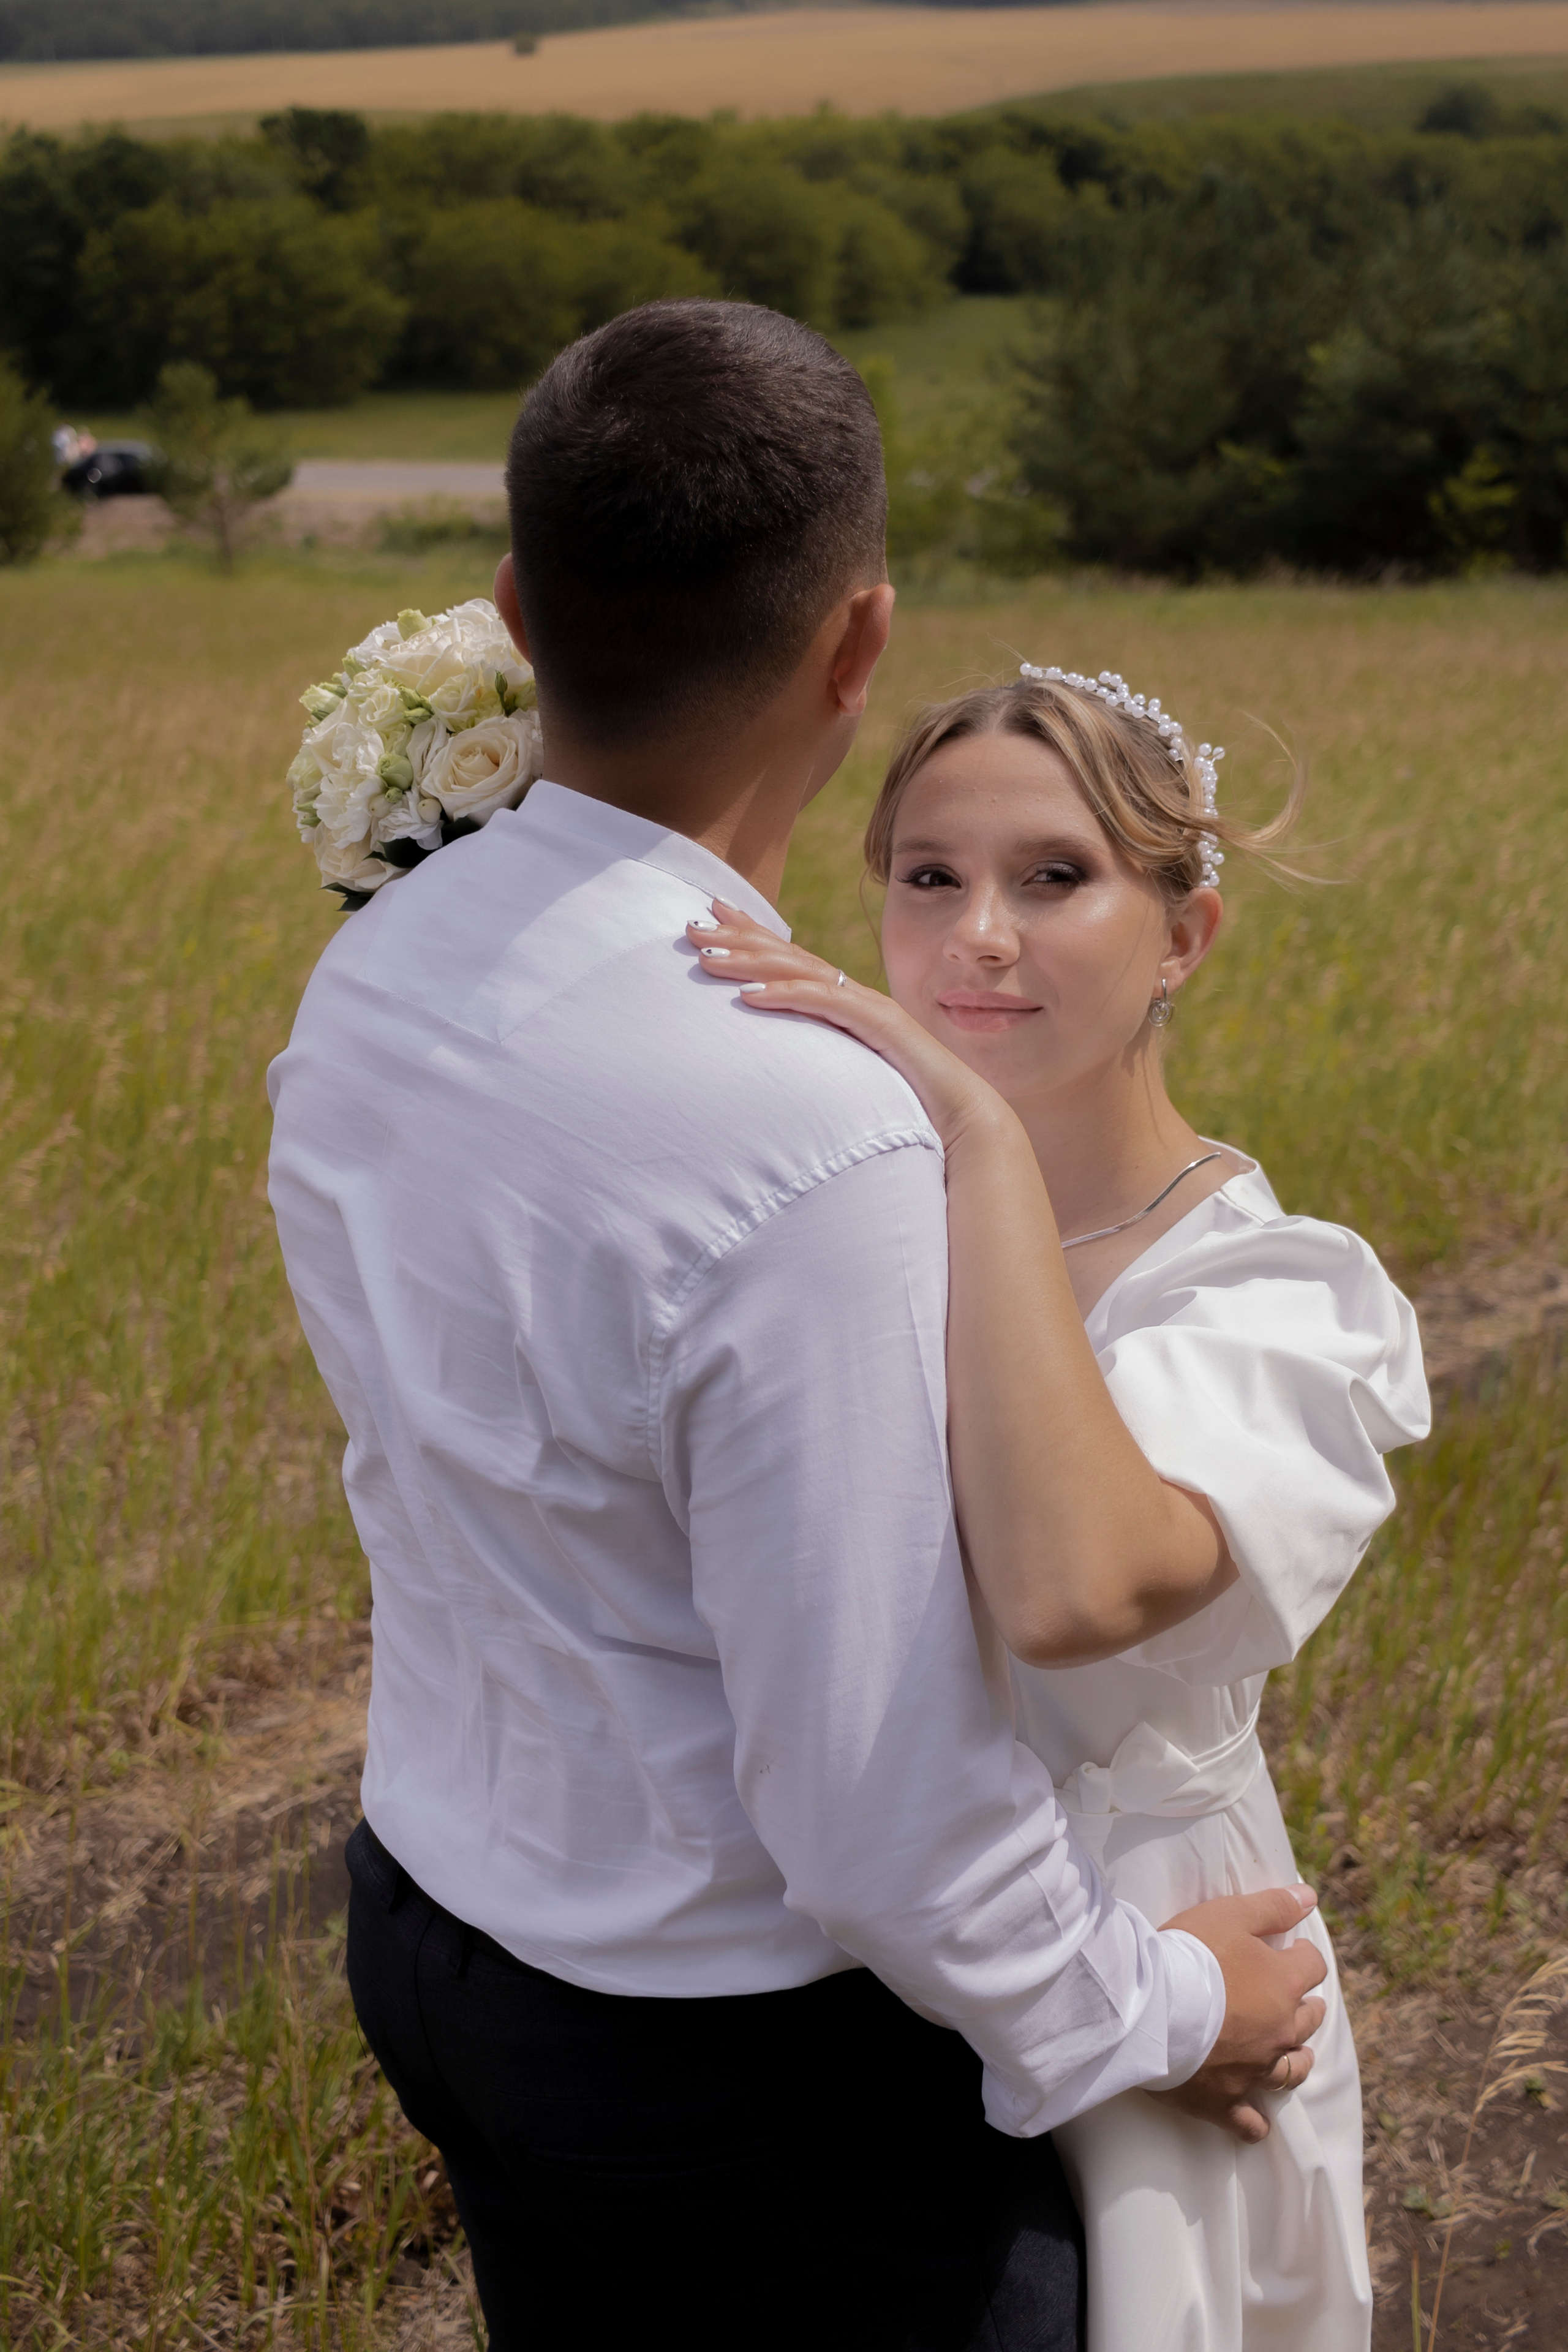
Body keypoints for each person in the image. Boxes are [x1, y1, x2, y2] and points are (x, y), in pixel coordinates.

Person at [267, 302, 1327, 2352]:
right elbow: (869, 1806)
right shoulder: (816, 1140)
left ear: (514, 606)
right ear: (860, 648)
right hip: (739, 2070)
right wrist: (1165, 2007)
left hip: (435, 1926)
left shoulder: (383, 973)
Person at [683, 663, 1431, 2350]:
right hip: (830, 1933)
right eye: (929, 877)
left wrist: (977, 1137)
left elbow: (1074, 1587)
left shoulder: (1278, 1293)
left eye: (1056, 878)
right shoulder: (842, 1211)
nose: (981, 936)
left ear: (1186, 934)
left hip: (1159, 1944)